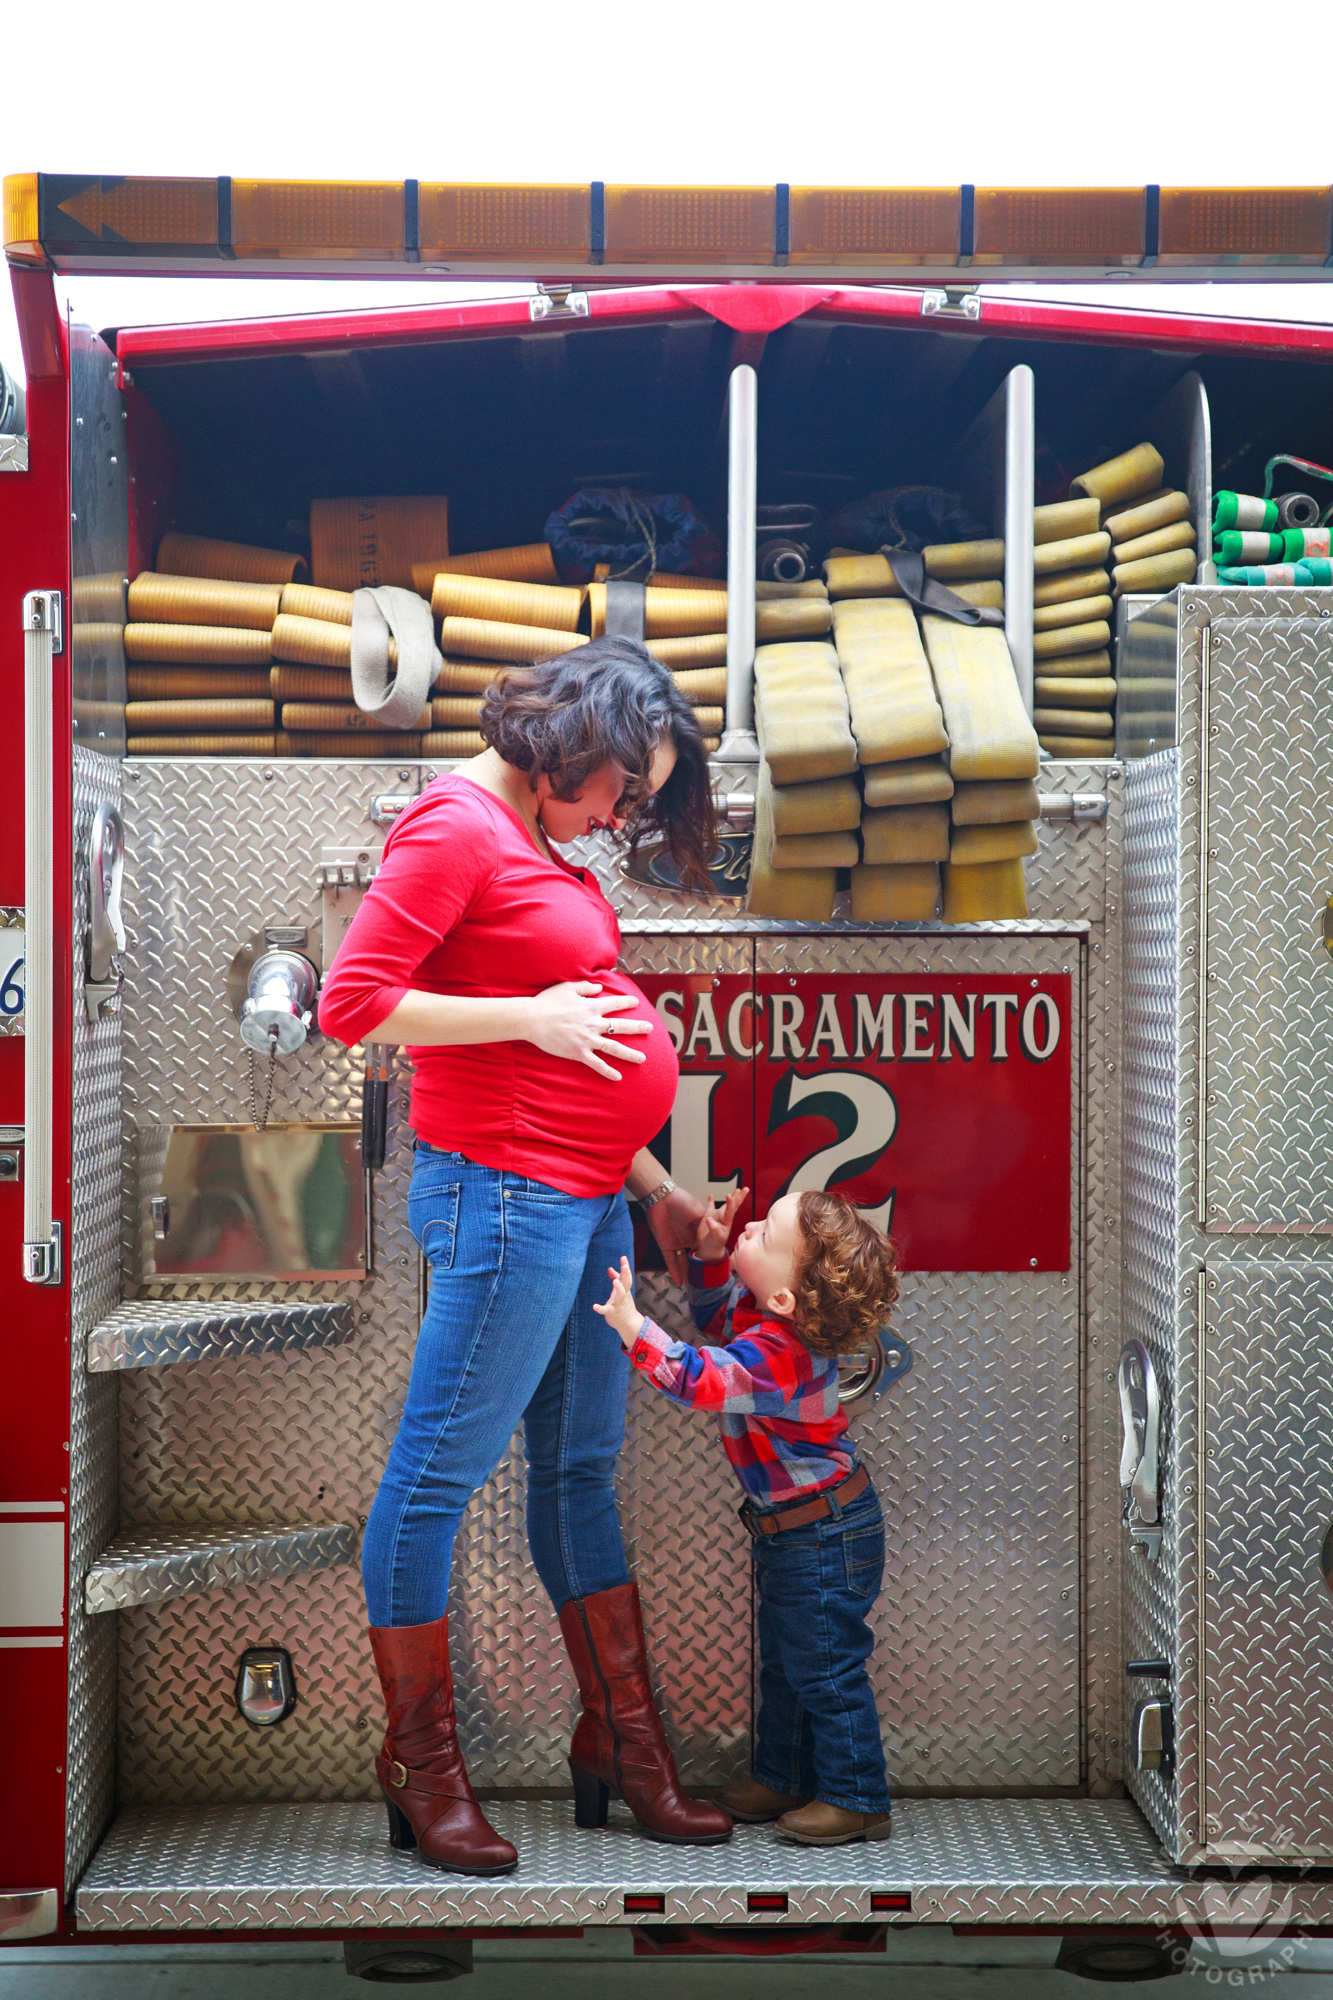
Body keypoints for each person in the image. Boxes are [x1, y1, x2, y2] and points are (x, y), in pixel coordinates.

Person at [317, 635, 732, 1877]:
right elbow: (353, 1001)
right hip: (502, 1199)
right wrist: (530, 1015)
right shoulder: (454, 829)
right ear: (563, 739)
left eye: (638, 798)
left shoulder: (534, 841)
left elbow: (590, 1034)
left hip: (587, 1198)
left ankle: (622, 1743)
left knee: (580, 1477)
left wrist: (652, 1188)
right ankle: (422, 1766)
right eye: (619, 784)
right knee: (432, 1482)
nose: (621, 813)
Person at [595, 1184, 899, 1847]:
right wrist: (710, 1256)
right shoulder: (773, 1325)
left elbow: (701, 1377)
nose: (751, 1224)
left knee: (823, 1669)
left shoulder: (781, 1353)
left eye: (765, 1234)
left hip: (822, 1535)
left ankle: (856, 1796)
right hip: (800, 1533)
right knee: (786, 1666)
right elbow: (715, 1320)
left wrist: (632, 1328)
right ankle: (782, 1777)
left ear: (785, 1298)